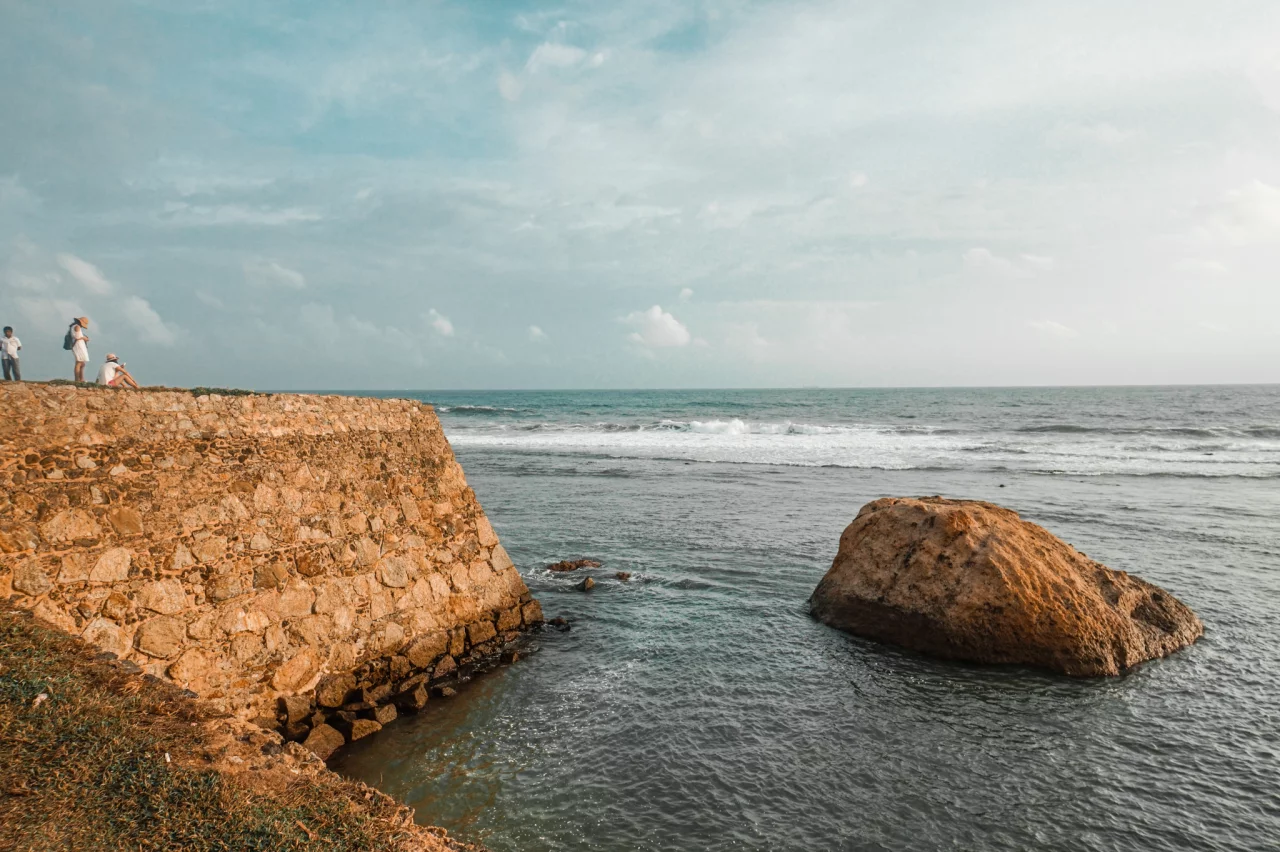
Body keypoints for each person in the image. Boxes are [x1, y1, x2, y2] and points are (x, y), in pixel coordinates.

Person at [70, 317, 90, 381]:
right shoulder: (77, 327)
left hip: (79, 345)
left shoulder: (74, 326)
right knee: (78, 362)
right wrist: (84, 338)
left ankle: (81, 378)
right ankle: (77, 379)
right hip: (78, 346)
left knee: (82, 363)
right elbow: (77, 337)